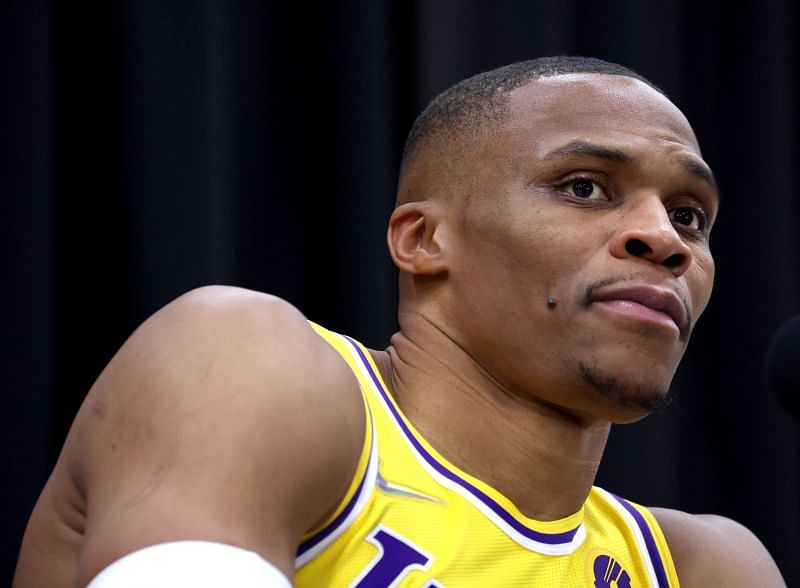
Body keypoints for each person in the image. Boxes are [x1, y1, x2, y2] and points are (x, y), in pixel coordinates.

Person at [13, 56, 785, 587]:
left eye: (691, 216)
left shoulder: (700, 566)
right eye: (584, 188)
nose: (664, 239)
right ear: (424, 240)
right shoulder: (244, 362)